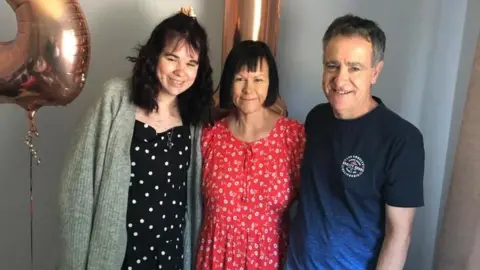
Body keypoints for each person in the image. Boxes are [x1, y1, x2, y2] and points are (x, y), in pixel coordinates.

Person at [58, 7, 213, 270]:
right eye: (172, 58)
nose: (180, 71)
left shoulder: (195, 118)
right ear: (154, 57)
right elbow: (77, 190)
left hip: (171, 256)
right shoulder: (115, 99)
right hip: (118, 257)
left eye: (191, 63)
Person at [285, 14, 425, 270]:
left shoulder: (402, 140)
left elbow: (399, 235)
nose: (340, 79)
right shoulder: (317, 118)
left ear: (375, 72)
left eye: (355, 68)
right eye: (332, 65)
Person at [195, 40, 306, 270]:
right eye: (240, 79)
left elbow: (314, 208)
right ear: (229, 83)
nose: (248, 90)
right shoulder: (209, 137)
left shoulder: (293, 138)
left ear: (270, 83)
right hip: (215, 260)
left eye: (258, 79)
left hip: (270, 260)